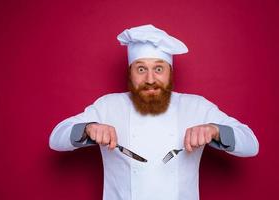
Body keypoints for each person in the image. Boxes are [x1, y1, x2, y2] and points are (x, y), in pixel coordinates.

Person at [49, 24, 259, 200]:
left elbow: (251, 144)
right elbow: (56, 139)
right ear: (130, 72)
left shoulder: (196, 107)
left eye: (159, 69)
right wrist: (88, 129)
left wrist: (215, 130)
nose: (150, 79)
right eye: (141, 69)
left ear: (170, 73)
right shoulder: (108, 106)